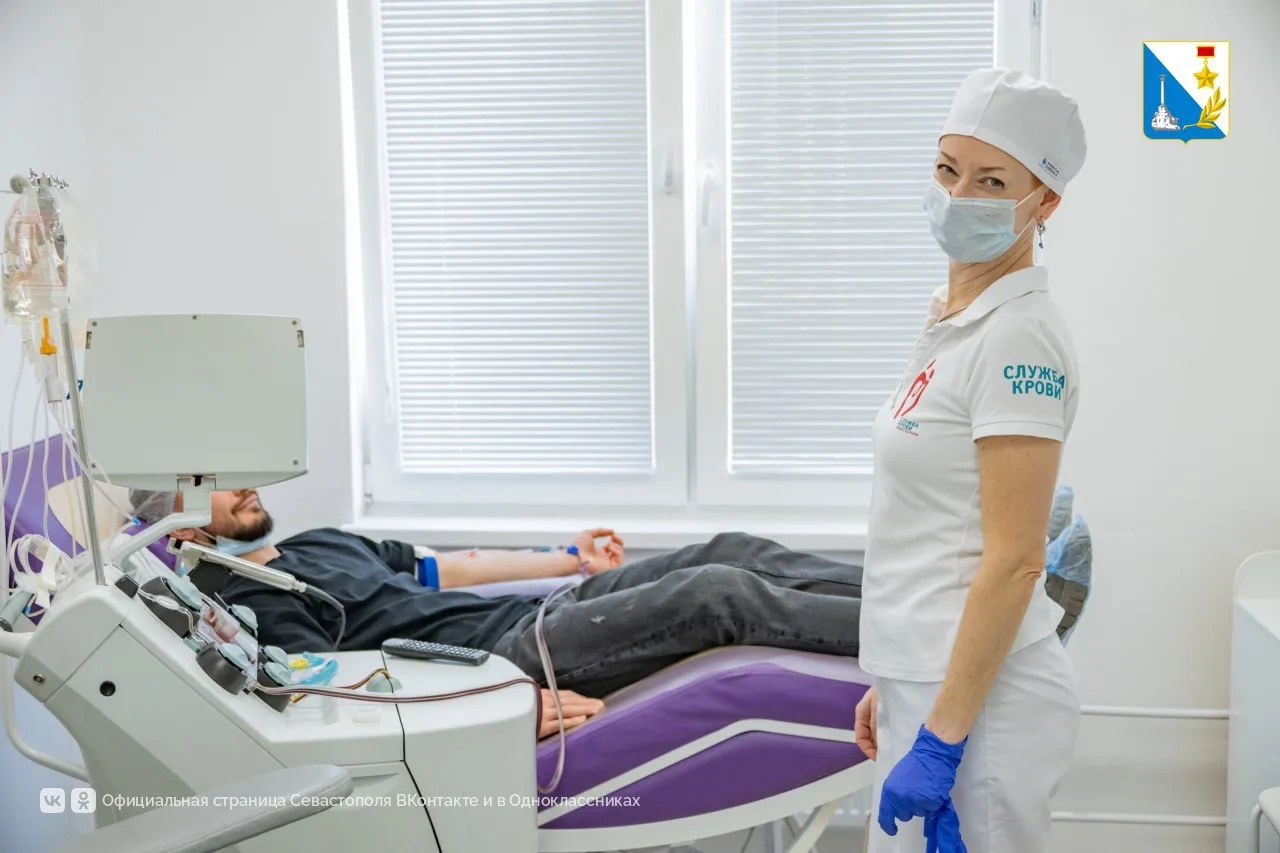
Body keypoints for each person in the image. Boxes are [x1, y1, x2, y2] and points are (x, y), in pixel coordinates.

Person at [124, 486, 866, 738]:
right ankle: (912, 632)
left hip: (545, 609)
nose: (240, 484)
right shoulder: (245, 600)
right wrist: (493, 701)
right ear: (180, 528)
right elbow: (337, 698)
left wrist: (569, 557)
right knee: (714, 594)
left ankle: (906, 595)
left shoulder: (320, 541)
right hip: (505, 656)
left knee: (730, 549)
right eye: (209, 482)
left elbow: (452, 567)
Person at [853, 68, 1089, 853]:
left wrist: (941, 737)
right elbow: (930, 521)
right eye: (947, 168)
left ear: (1044, 202)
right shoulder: (956, 319)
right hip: (931, 680)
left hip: (983, 713)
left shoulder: (1018, 336)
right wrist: (895, 681)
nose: (957, 196)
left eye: (991, 181)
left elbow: (1016, 560)